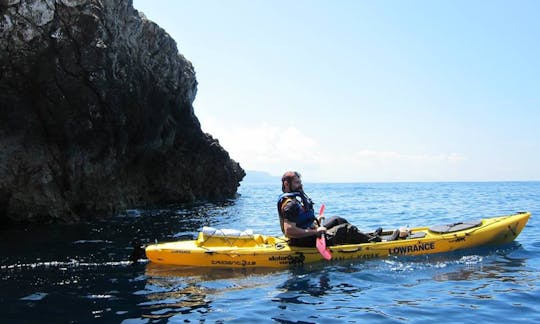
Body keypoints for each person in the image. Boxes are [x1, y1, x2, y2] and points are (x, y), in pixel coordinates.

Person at [277, 171, 377, 247]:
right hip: (303, 241)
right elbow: (289, 231)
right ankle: (375, 242)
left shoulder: (294, 200)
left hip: (308, 233)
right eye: (297, 183)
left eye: (300, 182)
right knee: (347, 229)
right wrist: (316, 232)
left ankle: (365, 237)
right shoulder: (290, 204)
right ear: (286, 184)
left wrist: (316, 222)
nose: (300, 185)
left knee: (338, 220)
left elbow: (300, 220)